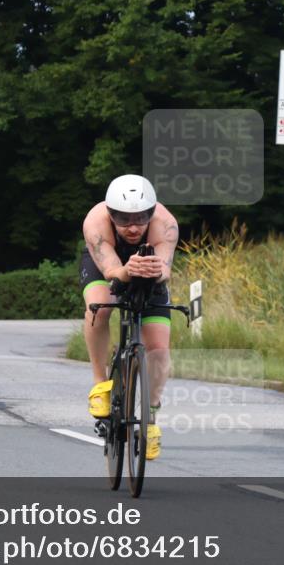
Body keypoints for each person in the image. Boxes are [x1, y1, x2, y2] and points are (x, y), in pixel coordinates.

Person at [80, 174, 179, 460]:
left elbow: (165, 270)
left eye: (140, 218)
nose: (134, 228)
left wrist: (152, 270)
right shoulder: (95, 223)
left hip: (148, 268)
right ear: (111, 214)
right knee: (100, 307)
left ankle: (150, 418)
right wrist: (127, 270)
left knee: (159, 350)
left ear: (152, 212)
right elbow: (112, 271)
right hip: (107, 266)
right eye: (124, 220)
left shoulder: (166, 224)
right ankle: (101, 383)